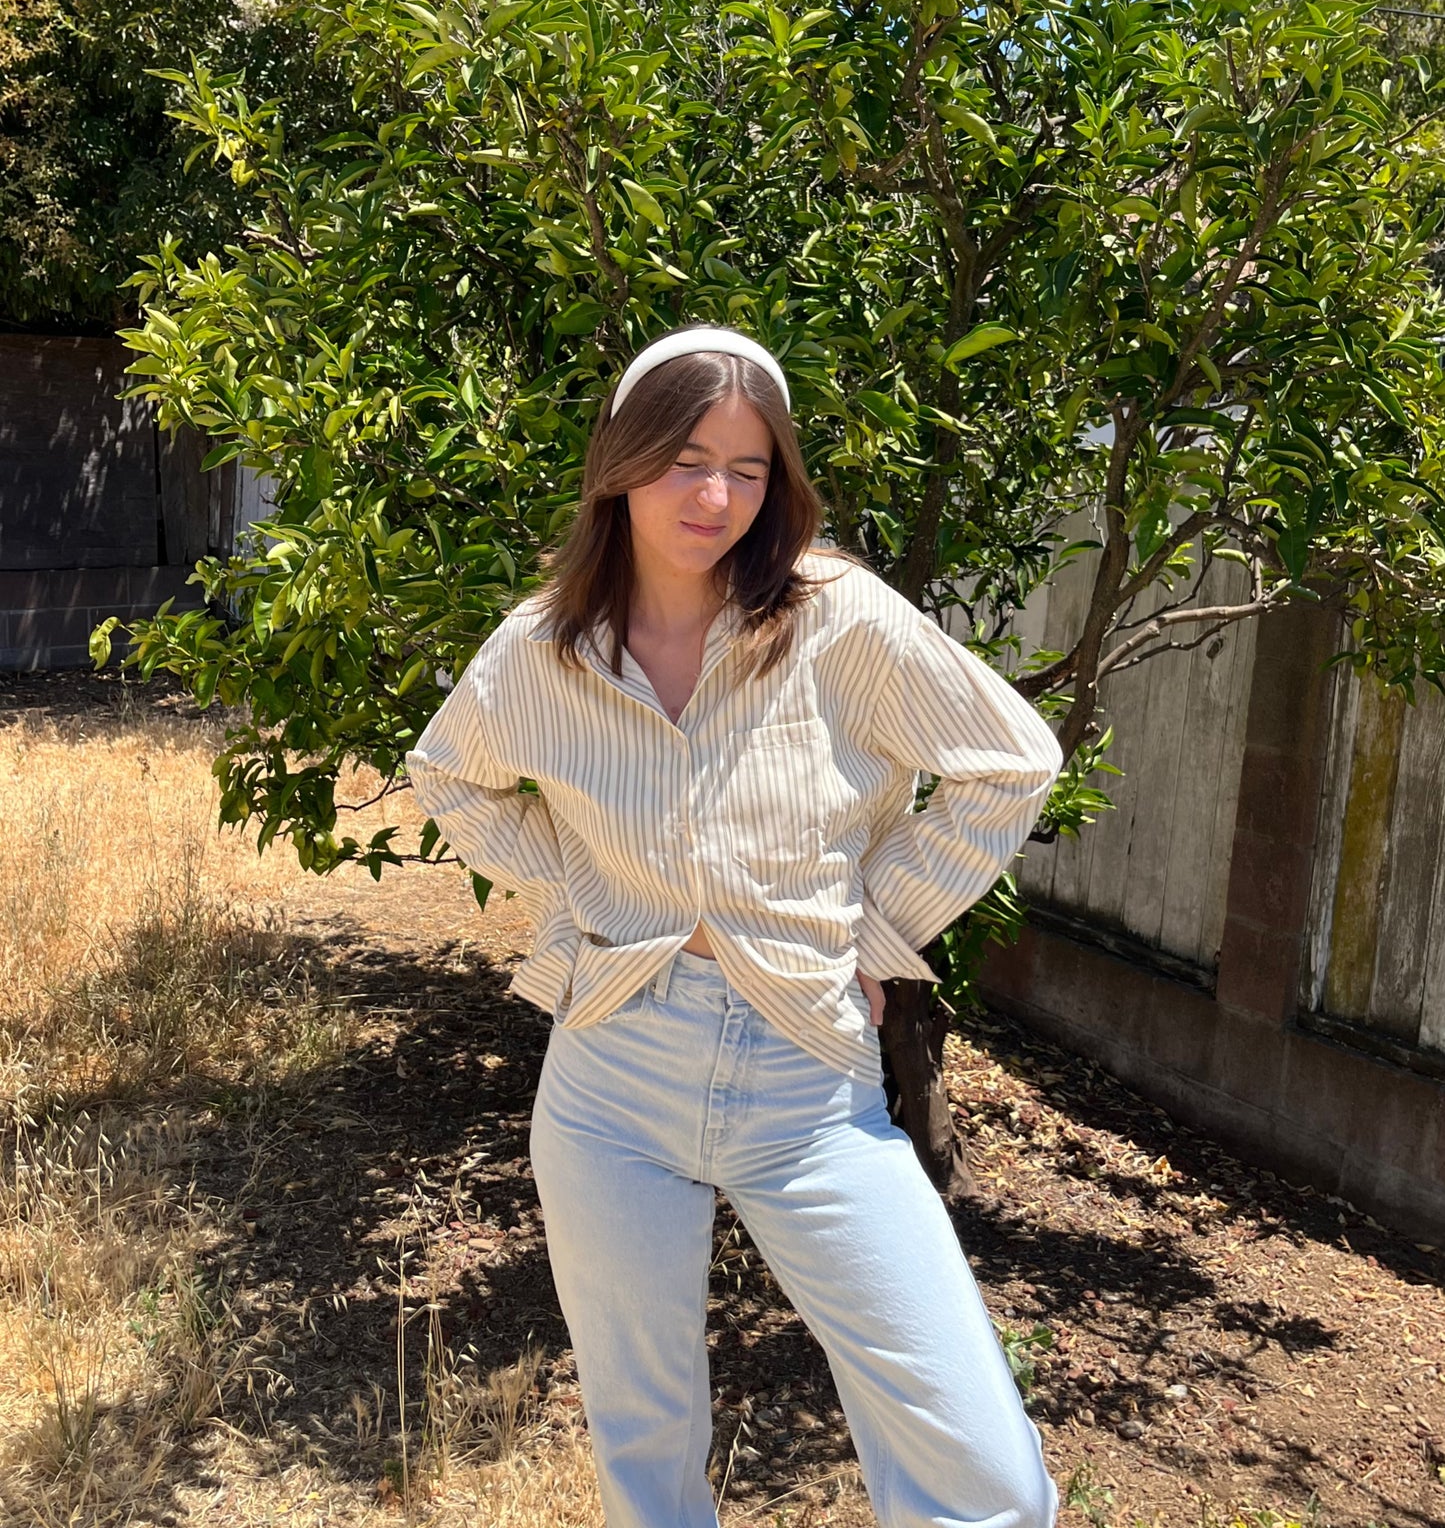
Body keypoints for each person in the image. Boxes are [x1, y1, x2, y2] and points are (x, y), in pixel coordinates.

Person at [405, 323, 1063, 1528]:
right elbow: (448, 775)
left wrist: (874, 932)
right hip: (610, 1076)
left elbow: (1010, 761)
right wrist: (575, 902)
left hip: (803, 1081)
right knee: (644, 1450)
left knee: (986, 1475)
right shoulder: (541, 647)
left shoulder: (836, 618)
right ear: (621, 459)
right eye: (684, 458)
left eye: (748, 467)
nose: (714, 495)